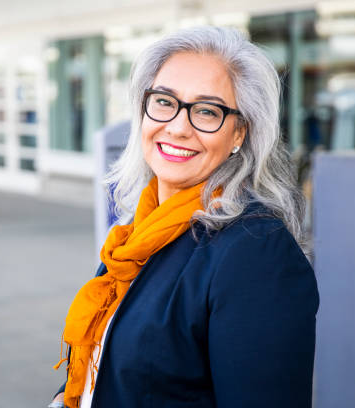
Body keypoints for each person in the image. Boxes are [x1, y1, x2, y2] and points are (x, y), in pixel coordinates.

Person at [49, 26, 319, 408]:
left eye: (207, 111)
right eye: (164, 102)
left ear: (239, 133)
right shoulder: (139, 231)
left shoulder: (256, 252)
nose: (177, 126)